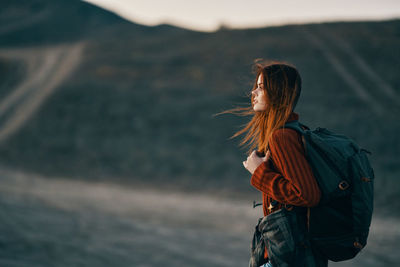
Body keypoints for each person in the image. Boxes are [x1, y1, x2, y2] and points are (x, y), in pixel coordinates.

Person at [226, 61, 328, 266]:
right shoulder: (293, 131)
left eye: (261, 87)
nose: (253, 92)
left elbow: (307, 194)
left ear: (278, 92)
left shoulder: (282, 137)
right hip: (295, 253)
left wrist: (259, 172)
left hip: (288, 257)